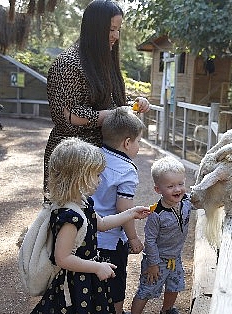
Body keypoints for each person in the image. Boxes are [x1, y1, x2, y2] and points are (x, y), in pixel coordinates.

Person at [25, 137, 151, 314]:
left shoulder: (82, 204)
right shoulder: (70, 217)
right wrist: (97, 267)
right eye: (94, 175)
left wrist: (129, 214)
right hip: (74, 287)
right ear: (78, 177)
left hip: (82, 283)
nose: (99, 180)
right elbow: (62, 258)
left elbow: (101, 224)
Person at [43, 0, 151, 196]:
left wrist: (133, 106)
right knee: (69, 219)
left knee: (99, 222)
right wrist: (115, 114)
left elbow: (111, 104)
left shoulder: (104, 61)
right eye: (111, 30)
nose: (116, 36)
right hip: (72, 160)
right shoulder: (67, 64)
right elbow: (67, 115)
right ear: (95, 29)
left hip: (102, 157)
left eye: (118, 30)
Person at [122, 156, 192, 314]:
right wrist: (152, 263)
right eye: (170, 186)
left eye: (180, 184)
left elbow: (202, 198)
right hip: (157, 260)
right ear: (158, 189)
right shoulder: (156, 215)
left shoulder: (186, 202)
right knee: (146, 289)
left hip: (175, 258)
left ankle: (167, 310)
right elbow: (150, 241)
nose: (177, 189)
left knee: (174, 286)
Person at [92, 107, 145, 314]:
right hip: (111, 239)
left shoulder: (93, 156)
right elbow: (125, 207)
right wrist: (132, 238)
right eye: (139, 142)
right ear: (127, 143)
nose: (139, 147)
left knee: (91, 275)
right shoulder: (126, 170)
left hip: (88, 232)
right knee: (116, 278)